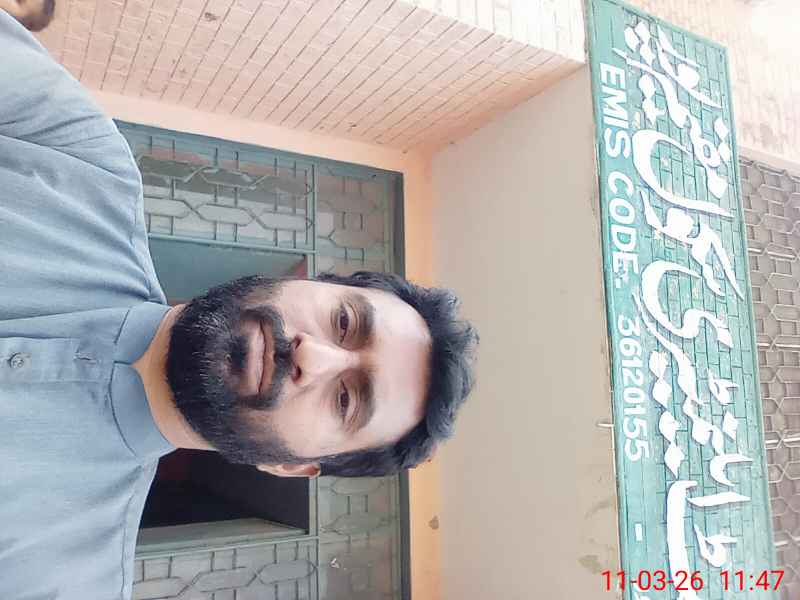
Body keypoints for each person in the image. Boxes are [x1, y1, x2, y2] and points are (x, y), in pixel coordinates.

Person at [0, 8, 478, 600]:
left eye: (347, 399)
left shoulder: (63, 582)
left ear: (292, 466)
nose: (315, 357)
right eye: (344, 321)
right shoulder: (80, 162)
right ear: (306, 282)